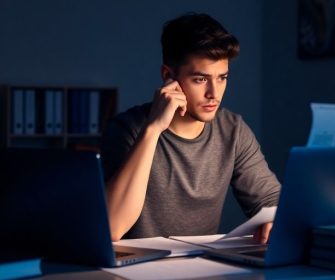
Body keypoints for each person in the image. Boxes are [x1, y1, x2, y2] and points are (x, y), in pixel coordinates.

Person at [100, 13, 281, 243]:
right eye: (200, 79)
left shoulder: (233, 130)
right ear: (168, 76)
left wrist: (275, 218)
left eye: (222, 78)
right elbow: (111, 227)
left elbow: (273, 201)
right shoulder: (126, 129)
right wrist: (153, 129)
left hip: (201, 269)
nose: (214, 94)